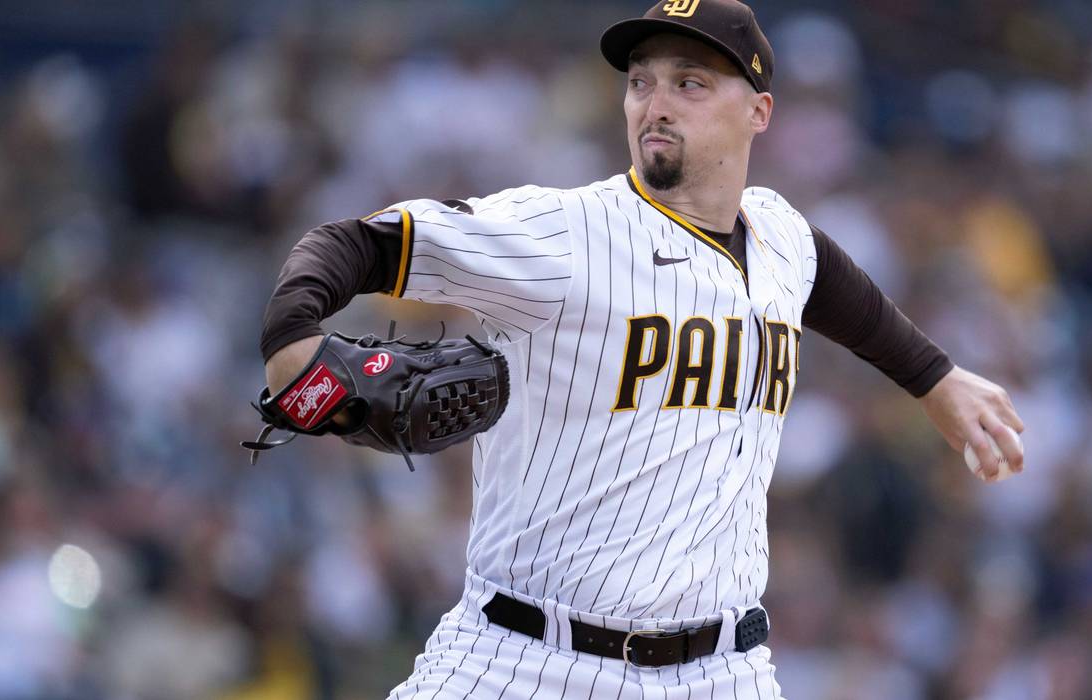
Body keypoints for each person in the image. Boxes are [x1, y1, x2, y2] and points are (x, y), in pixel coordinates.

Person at [258, 1, 1025, 697]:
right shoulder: (563, 234)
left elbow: (826, 278)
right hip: (525, 661)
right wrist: (293, 345)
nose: (654, 105)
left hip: (723, 671)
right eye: (640, 83)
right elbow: (351, 243)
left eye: (689, 84)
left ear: (759, 112)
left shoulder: (779, 233)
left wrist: (934, 378)